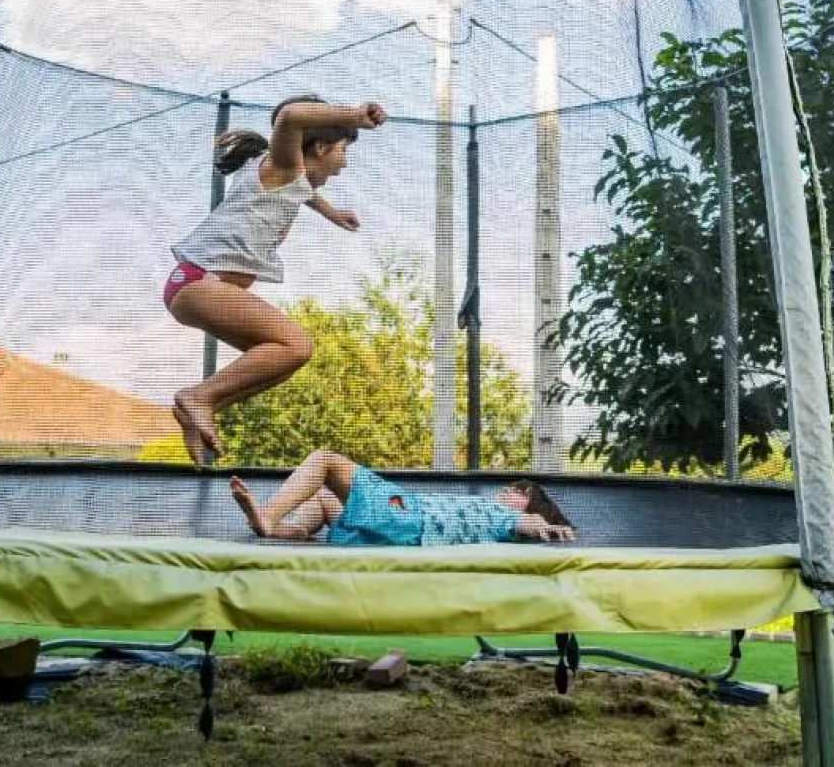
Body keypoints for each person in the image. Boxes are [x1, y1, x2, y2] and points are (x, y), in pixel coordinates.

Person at [165, 95, 387, 464]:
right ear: (320, 147)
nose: (344, 163)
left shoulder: (282, 174)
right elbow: (290, 115)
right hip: (200, 282)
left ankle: (200, 406)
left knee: (280, 358)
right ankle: (199, 397)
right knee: (295, 345)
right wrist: (353, 116)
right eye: (343, 150)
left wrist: (331, 212)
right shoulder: (283, 164)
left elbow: (303, 190)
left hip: (192, 285)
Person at [230, 450, 577, 545]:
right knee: (322, 496)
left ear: (529, 506)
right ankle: (284, 530)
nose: (510, 490)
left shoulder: (505, 518)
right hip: (398, 529)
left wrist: (543, 525)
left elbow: (526, 522)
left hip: (406, 514)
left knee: (324, 461)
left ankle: (268, 518)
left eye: (521, 492)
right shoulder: (492, 517)